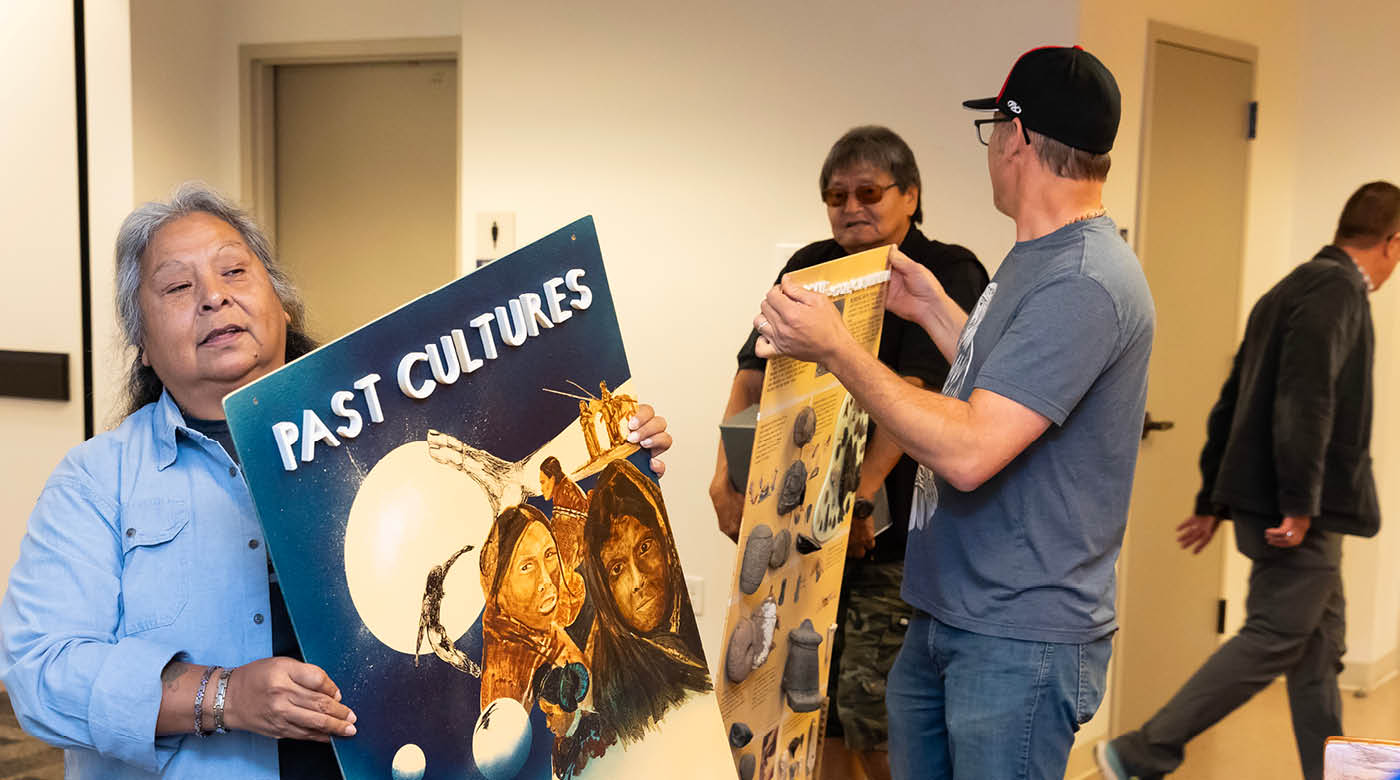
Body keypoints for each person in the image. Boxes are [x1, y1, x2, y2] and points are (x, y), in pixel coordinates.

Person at [0, 183, 675, 779]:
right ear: (143, 343)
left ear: (282, 306)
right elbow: (39, 674)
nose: (214, 297)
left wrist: (622, 468)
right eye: (177, 287)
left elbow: (525, 532)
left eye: (236, 271)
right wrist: (222, 697)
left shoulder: (398, 442)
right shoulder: (95, 484)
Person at [753, 47, 1154, 780]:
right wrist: (933, 305)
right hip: (950, 612)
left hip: (1017, 636)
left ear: (1019, 138)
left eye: (994, 129)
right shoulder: (1040, 258)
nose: (993, 147)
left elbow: (971, 451)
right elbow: (1004, 383)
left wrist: (839, 349)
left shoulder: (1086, 280)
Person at [1096, 181, 1399, 780]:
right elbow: (1304, 400)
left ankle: (1334, 774)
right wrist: (1299, 502)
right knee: (1276, 635)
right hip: (1297, 510)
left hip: (1285, 502)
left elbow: (1233, 401)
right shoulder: (1338, 291)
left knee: (1316, 651)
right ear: (1392, 243)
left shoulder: (1287, 289)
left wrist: (1214, 498)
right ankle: (1141, 751)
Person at [710, 125, 987, 780]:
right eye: (835, 195)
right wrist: (725, 482)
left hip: (895, 545)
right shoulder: (809, 265)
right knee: (805, 712)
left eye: (868, 191)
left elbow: (916, 395)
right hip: (797, 532)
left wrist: (856, 496)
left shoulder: (943, 271)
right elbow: (754, 374)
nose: (850, 207)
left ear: (910, 195)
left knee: (881, 721)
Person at [583, 458, 711, 744]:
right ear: (604, 591)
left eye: (644, 547)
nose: (638, 579)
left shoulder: (704, 600)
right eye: (617, 569)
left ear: (666, 542)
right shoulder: (616, 691)